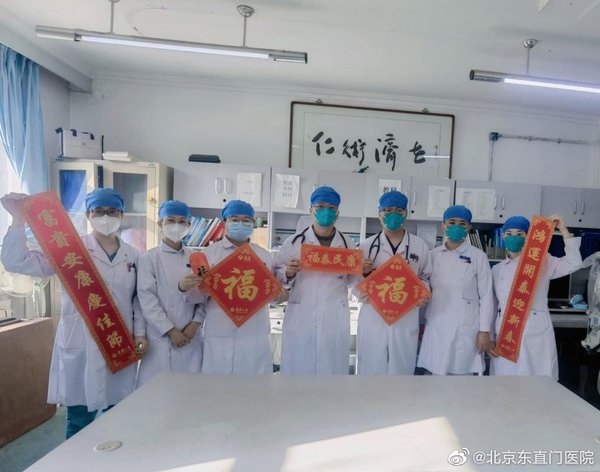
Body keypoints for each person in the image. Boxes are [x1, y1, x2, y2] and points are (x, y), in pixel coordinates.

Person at [0, 189, 147, 438]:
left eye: (112, 212)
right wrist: (18, 220)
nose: (105, 217)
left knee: (119, 415)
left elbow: (138, 300)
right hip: (81, 343)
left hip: (118, 341)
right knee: (79, 419)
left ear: (122, 215)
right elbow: (16, 261)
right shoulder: (69, 248)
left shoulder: (133, 255)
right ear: (88, 215)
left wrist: (140, 333)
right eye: (99, 211)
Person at [181, 200, 283, 374]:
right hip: (220, 333)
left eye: (246, 220)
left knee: (253, 387)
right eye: (235, 219)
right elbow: (198, 297)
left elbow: (271, 297)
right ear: (224, 222)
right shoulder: (208, 255)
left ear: (253, 224)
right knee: (218, 386)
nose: (240, 224)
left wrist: (280, 295)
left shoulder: (265, 257)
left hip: (254, 333)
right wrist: (187, 287)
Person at [275, 186, 360, 375]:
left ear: (337, 213)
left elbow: (355, 282)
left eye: (331, 208)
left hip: (333, 316)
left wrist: (361, 269)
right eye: (320, 206)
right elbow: (277, 279)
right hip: (302, 315)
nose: (326, 212)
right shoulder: (293, 243)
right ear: (311, 209)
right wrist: (288, 273)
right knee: (299, 372)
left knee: (331, 373)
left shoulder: (347, 244)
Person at [489, 215, 582, 380]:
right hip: (506, 332)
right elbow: (493, 307)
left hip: (534, 330)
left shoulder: (541, 262)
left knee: (535, 382)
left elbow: (573, 263)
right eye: (509, 233)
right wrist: (490, 337)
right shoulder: (497, 269)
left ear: (529, 237)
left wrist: (563, 230)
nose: (513, 237)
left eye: (520, 234)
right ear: (503, 236)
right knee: (504, 383)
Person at [356, 190, 432, 375]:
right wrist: (361, 289)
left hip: (405, 315)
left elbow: (426, 276)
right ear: (379, 214)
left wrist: (422, 292)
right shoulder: (366, 246)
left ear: (406, 214)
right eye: (388, 210)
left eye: (398, 210)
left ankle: (401, 395)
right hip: (373, 314)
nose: (393, 214)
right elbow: (354, 279)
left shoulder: (419, 245)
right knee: (371, 367)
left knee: (402, 368)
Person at [417, 205, 494, 375]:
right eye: (452, 222)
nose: (457, 226)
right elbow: (424, 289)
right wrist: (420, 323)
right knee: (435, 375)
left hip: (466, 327)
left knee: (462, 377)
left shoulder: (478, 256)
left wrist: (484, 330)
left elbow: (487, 295)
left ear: (468, 227)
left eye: (462, 223)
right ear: (443, 226)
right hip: (437, 324)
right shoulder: (432, 255)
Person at [136, 200, 204, 386]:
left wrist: (195, 323)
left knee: (190, 393)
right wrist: (171, 331)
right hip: (160, 338)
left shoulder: (196, 257)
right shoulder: (149, 258)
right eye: (171, 221)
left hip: (190, 338)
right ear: (160, 223)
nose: (176, 225)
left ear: (189, 225)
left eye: (182, 221)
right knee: (156, 393)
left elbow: (206, 295)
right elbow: (147, 300)